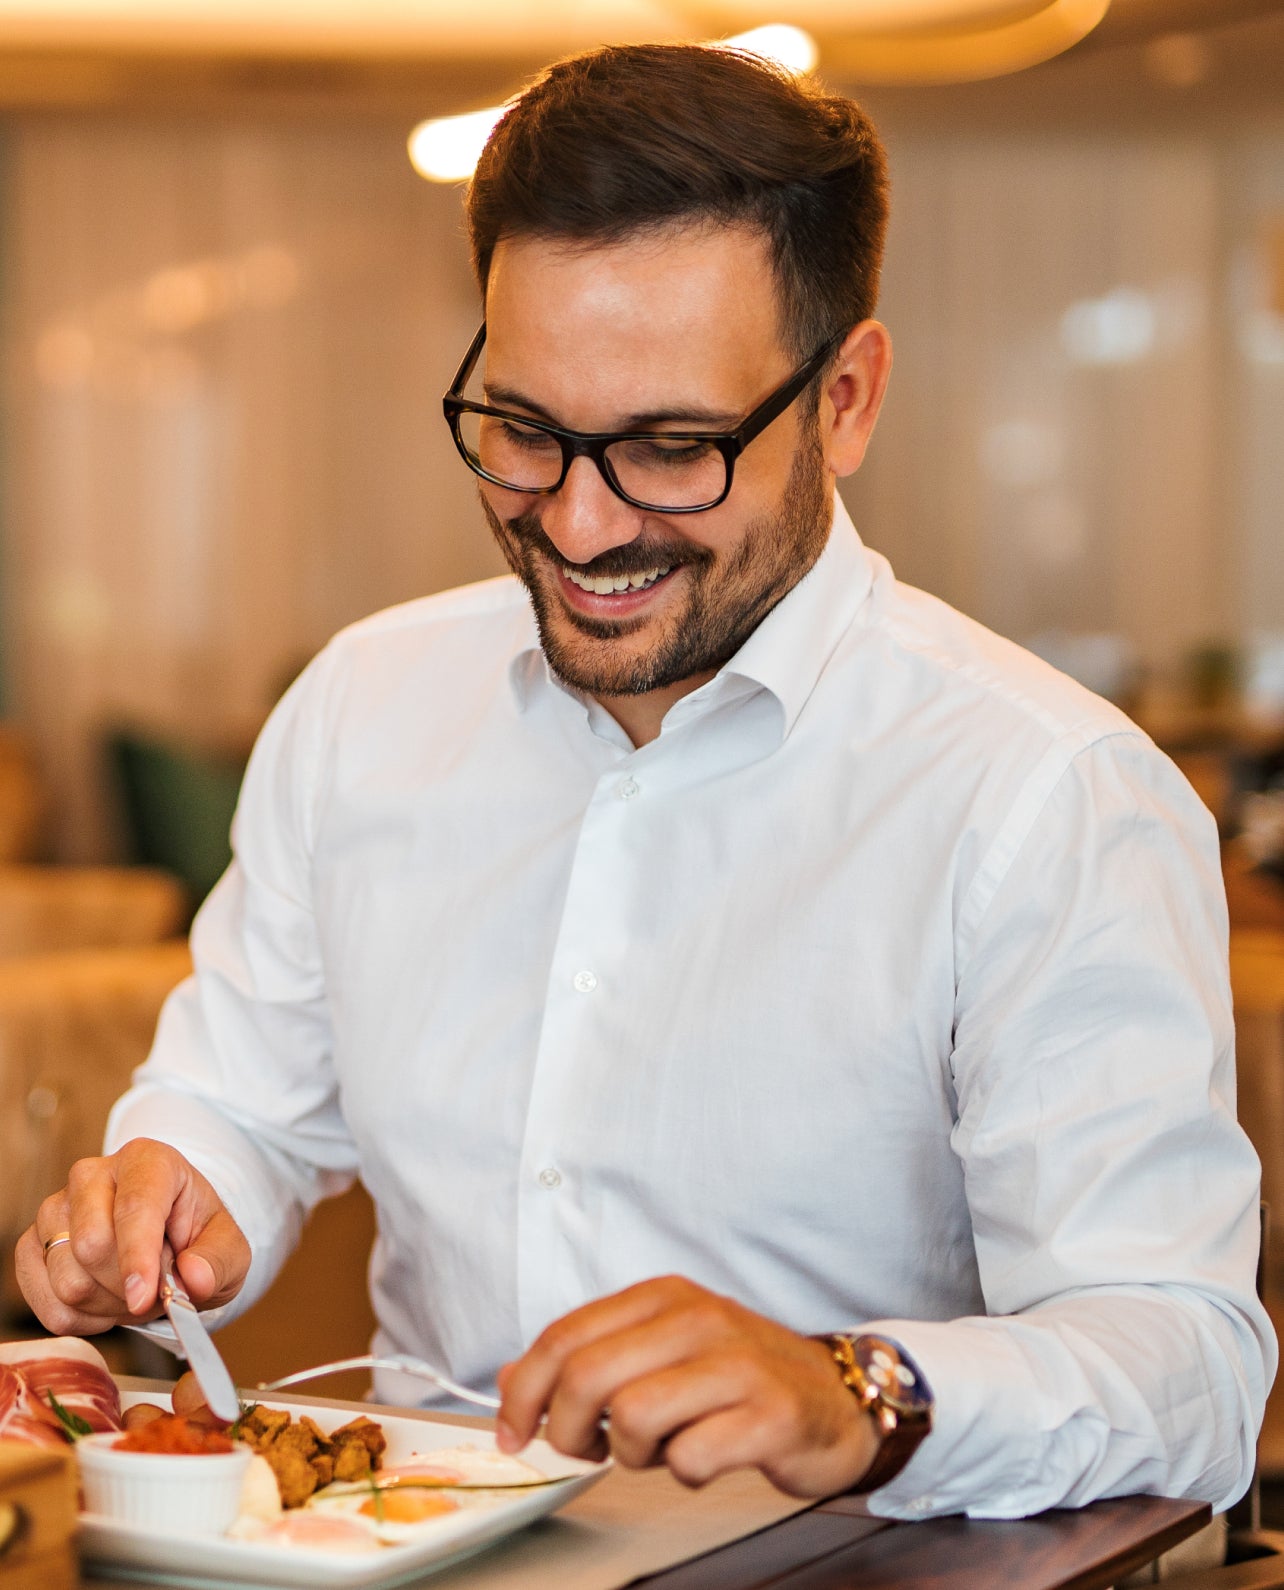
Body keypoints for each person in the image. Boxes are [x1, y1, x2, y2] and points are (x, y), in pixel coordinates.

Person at [15, 42, 1275, 1518]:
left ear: (848, 397)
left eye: (675, 447)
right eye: (526, 431)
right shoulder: (361, 707)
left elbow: (1187, 1362)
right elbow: (241, 1098)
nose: (584, 522)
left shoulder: (1045, 793)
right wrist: (176, 1183)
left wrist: (854, 1386)